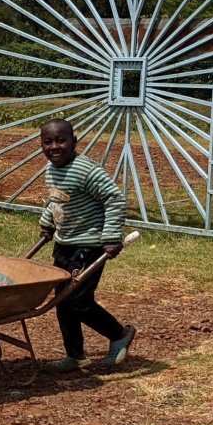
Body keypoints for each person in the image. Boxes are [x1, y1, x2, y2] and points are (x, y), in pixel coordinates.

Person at [37, 118, 137, 372]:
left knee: (78, 300)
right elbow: (55, 199)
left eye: (61, 140)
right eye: (48, 141)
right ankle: (75, 355)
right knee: (62, 300)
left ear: (74, 142)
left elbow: (114, 199)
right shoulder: (51, 170)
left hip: (89, 245)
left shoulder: (86, 170)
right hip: (65, 244)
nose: (54, 146)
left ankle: (119, 334)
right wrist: (47, 223)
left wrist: (111, 237)